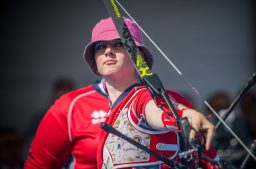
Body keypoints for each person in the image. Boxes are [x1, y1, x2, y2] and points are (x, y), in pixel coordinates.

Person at [24, 17, 215, 168]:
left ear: (138, 55)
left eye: (119, 44)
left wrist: (185, 114)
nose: (108, 51)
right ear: (94, 60)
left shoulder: (165, 99)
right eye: (100, 46)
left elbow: (157, 110)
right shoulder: (70, 106)